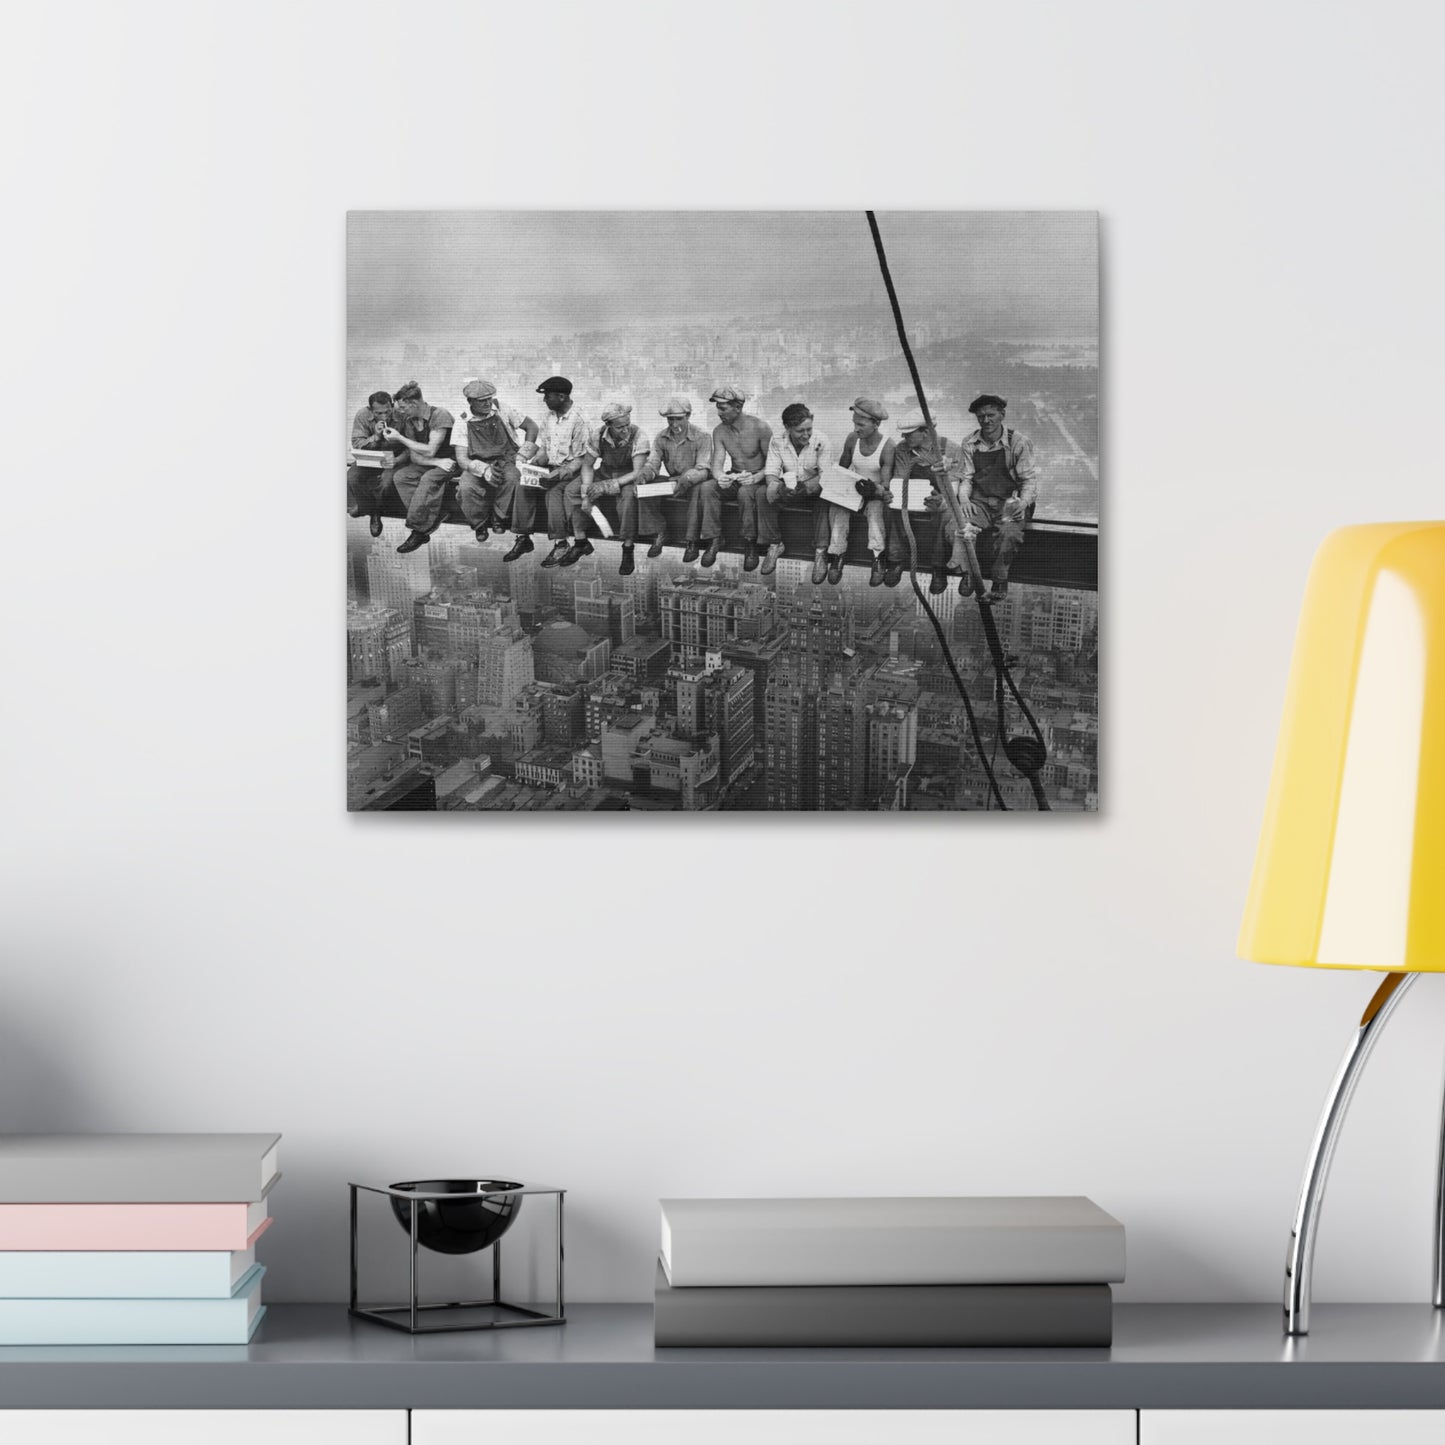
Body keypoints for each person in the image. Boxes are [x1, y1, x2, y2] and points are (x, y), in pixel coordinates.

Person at [951, 393, 1040, 603]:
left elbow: (1029, 480)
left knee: (1009, 533)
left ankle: (1000, 579)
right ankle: (968, 572)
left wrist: (1024, 503)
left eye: (991, 415)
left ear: (1002, 415)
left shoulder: (1018, 442)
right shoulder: (970, 443)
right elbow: (967, 478)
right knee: (963, 526)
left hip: (1010, 502)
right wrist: (964, 499)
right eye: (981, 416)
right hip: (981, 500)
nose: (986, 421)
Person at [452, 380, 539, 544]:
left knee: (513, 479)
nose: (487, 403)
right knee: (466, 487)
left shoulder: (502, 408)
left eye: (489, 399)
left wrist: (522, 455)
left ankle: (499, 518)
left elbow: (532, 427)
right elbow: (462, 458)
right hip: (477, 463)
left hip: (506, 459)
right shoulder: (462, 421)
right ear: (470, 401)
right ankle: (479, 524)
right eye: (481, 400)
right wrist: (484, 470)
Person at [765, 402, 842, 585]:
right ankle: (774, 544)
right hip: (789, 489)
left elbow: (826, 477)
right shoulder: (777, 440)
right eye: (800, 431)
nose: (806, 435)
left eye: (809, 429)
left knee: (824, 500)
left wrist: (807, 488)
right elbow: (771, 472)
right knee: (763, 493)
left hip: (813, 490)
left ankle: (821, 552)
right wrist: (779, 488)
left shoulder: (821, 441)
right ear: (787, 428)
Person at [883, 413, 960, 594]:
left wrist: (940, 500)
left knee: (945, 515)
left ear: (925, 432)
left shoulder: (950, 449)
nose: (904, 437)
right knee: (893, 509)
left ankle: (938, 567)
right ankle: (896, 560)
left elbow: (953, 489)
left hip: (941, 498)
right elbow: (900, 479)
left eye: (909, 433)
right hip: (913, 494)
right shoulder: (903, 449)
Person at [709, 385, 781, 575]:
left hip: (759, 477)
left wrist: (756, 477)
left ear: (738, 408)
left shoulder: (760, 427)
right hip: (736, 475)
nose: (718, 413)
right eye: (717, 407)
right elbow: (717, 464)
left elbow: (774, 464)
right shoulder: (719, 432)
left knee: (744, 492)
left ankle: (750, 544)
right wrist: (721, 477)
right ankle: (714, 538)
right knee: (708, 488)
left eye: (723, 408)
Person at [641, 397, 719, 567]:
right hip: (673, 480)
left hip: (694, 480)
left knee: (698, 492)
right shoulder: (661, 437)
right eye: (671, 419)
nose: (674, 423)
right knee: (644, 490)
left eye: (679, 418)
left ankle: (691, 541)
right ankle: (659, 531)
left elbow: (704, 467)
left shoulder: (702, 437)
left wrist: (687, 478)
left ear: (688, 416)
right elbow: (653, 463)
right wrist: (644, 475)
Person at [526, 375, 594, 569]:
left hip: (576, 471)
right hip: (555, 469)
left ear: (562, 397)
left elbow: (582, 458)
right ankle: (565, 543)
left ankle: (564, 543)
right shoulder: (549, 417)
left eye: (548, 396)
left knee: (555, 493)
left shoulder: (580, 420)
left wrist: (559, 473)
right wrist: (534, 463)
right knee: (543, 490)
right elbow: (545, 449)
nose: (545, 400)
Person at [384, 382, 457, 555]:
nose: (401, 411)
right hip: (435, 463)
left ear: (414, 404)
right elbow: (415, 455)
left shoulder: (440, 415)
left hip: (452, 462)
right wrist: (435, 463)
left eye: (403, 407)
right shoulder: (410, 420)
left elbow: (430, 449)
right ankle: (435, 515)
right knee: (401, 477)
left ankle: (418, 531)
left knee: (428, 479)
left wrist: (400, 438)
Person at [839, 397, 904, 587]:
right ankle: (837, 554)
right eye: (854, 423)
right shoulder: (852, 439)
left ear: (875, 424)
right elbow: (842, 467)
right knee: (837, 509)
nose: (855, 428)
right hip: (854, 490)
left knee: (876, 511)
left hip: (874, 494)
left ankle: (877, 557)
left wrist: (874, 489)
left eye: (860, 424)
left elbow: (885, 483)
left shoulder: (887, 446)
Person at [584, 403, 655, 576]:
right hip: (605, 471)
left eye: (627, 425)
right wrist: (586, 492)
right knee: (576, 492)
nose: (625, 430)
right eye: (619, 427)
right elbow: (587, 466)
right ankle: (580, 540)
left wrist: (607, 486)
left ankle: (628, 546)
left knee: (629, 497)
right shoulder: (598, 435)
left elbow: (636, 472)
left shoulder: (639, 436)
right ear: (609, 426)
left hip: (627, 476)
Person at [347, 390, 405, 537]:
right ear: (371, 410)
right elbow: (357, 444)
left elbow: (410, 443)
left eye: (387, 412)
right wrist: (376, 437)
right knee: (352, 477)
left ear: (392, 406)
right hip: (370, 457)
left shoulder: (402, 415)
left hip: (393, 458)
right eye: (379, 413)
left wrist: (396, 457)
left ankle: (375, 513)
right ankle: (366, 506)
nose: (384, 416)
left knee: (386, 483)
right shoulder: (362, 415)